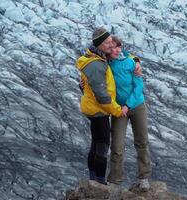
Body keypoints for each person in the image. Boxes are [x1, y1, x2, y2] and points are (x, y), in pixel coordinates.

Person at [76, 27, 127, 185]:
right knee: (103, 144)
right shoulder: (96, 65)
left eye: (110, 41)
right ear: (98, 44)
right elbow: (101, 95)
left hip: (93, 107)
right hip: (99, 110)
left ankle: (93, 180)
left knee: (96, 142)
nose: (110, 45)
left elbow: (89, 87)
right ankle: (99, 182)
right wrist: (118, 111)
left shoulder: (97, 58)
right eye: (106, 42)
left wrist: (136, 61)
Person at [106, 36, 152, 191]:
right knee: (117, 145)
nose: (116, 50)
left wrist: (128, 105)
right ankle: (114, 180)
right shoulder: (105, 63)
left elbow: (138, 85)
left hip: (137, 105)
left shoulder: (130, 61)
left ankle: (143, 178)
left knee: (142, 141)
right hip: (119, 109)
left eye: (118, 47)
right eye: (112, 47)